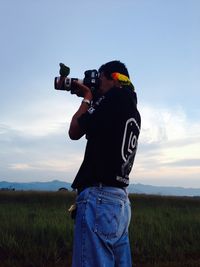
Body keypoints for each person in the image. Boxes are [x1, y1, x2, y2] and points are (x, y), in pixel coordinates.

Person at [69, 60, 141, 267]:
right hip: (120, 203)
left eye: (100, 78)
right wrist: (95, 99)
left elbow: (74, 131)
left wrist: (87, 98)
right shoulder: (132, 109)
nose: (97, 83)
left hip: (99, 201)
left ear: (113, 78)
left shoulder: (112, 99)